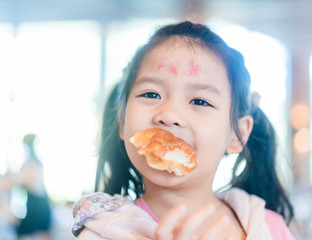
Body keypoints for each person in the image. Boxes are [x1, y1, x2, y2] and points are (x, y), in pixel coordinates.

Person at [72, 21, 295, 239]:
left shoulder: (269, 228)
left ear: (238, 134)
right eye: (151, 94)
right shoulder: (102, 232)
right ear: (122, 121)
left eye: (199, 101)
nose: (169, 115)